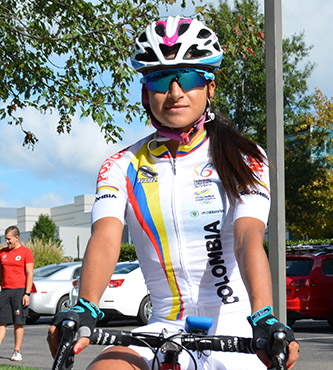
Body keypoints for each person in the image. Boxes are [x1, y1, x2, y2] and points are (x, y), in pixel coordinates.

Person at [48, 16, 299, 369]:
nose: (176, 92)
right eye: (162, 79)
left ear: (210, 87)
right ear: (145, 92)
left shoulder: (244, 157)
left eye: (191, 78)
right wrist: (86, 306)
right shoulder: (121, 165)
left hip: (235, 324)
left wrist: (264, 316)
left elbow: (248, 237)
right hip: (162, 327)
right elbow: (105, 237)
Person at [0, 225, 34, 361]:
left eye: (9, 239)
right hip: (5, 291)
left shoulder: (26, 252)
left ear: (17, 237)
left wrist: (27, 293)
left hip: (20, 291)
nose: (7, 242)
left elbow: (30, 273)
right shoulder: (2, 252)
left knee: (18, 323)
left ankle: (16, 351)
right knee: (1, 323)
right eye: (6, 239)